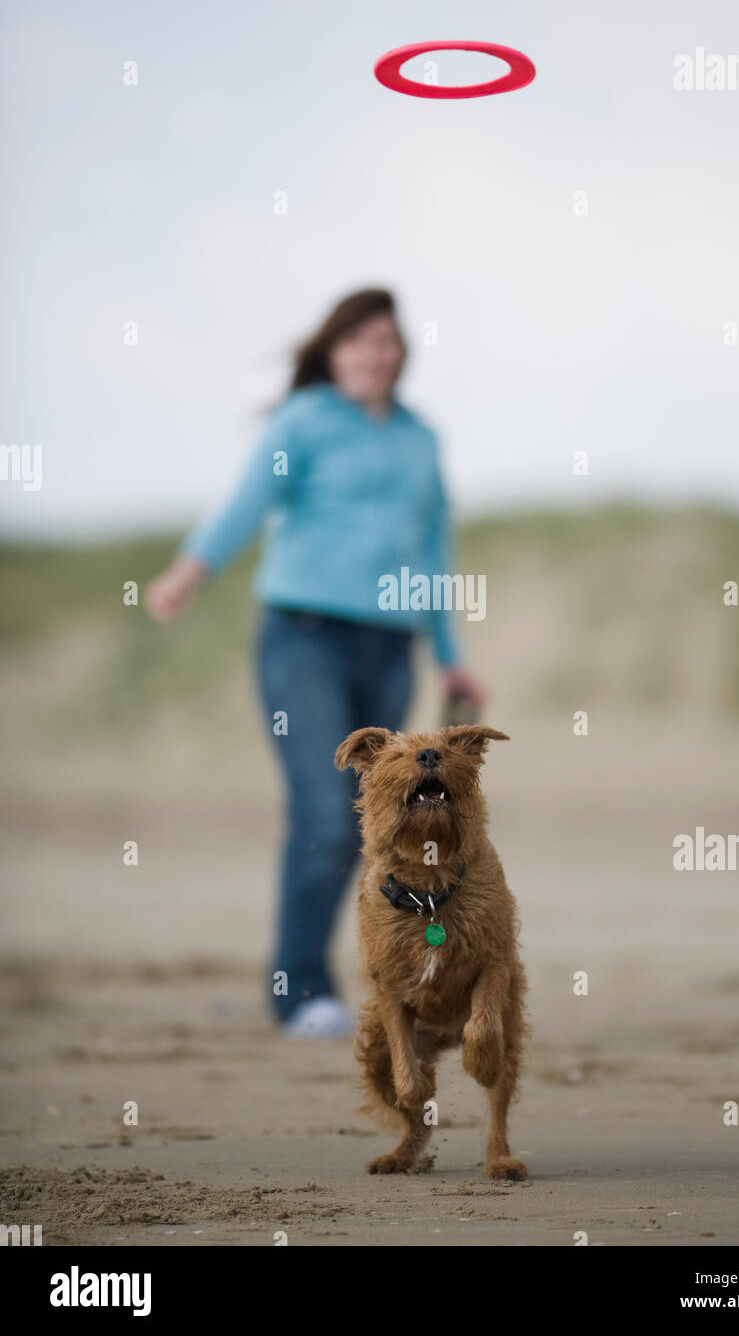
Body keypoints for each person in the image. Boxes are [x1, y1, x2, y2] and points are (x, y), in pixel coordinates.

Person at [145, 288, 482, 1037]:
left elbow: (433, 549)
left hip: (390, 650)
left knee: (371, 821)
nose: (374, 354)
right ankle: (299, 991)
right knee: (325, 812)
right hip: (303, 639)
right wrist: (188, 572)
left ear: (401, 354)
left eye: (386, 341)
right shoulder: (303, 421)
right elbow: (246, 501)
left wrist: (450, 658)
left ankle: (352, 978)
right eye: (359, 341)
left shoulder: (420, 437)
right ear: (334, 351)